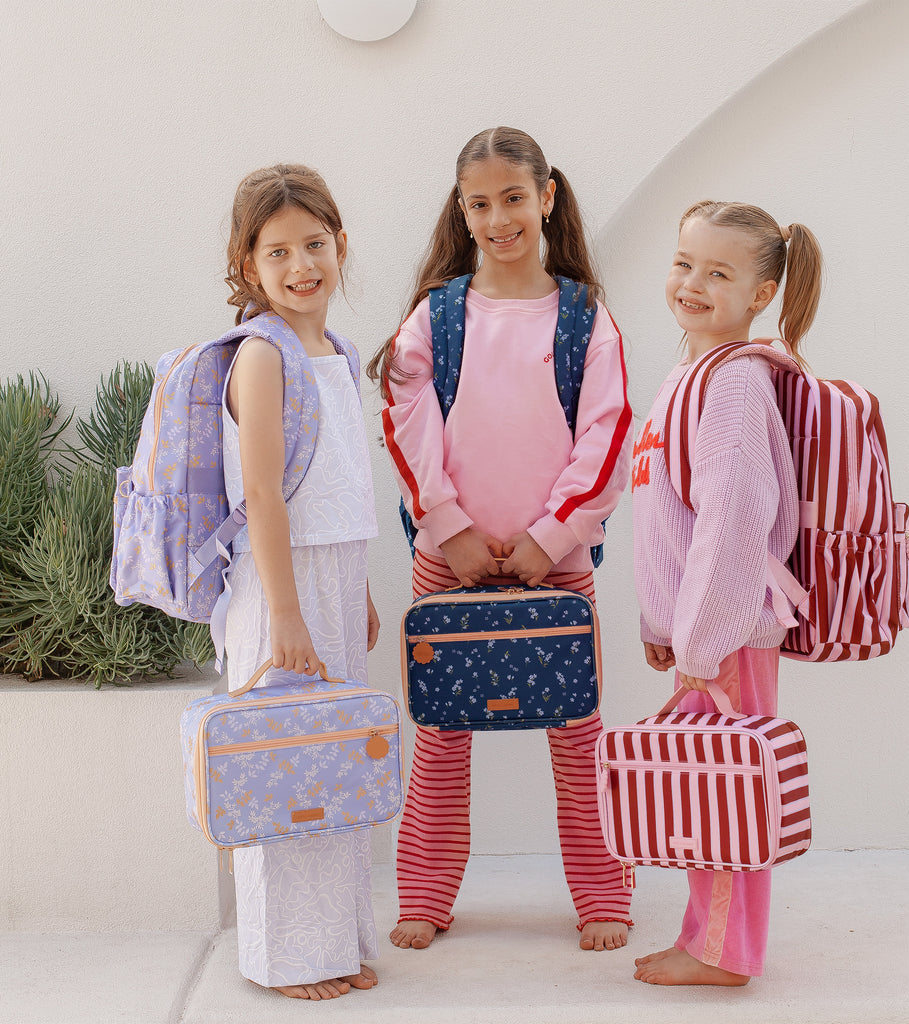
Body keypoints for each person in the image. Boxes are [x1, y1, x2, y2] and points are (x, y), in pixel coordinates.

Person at [368, 126, 634, 951]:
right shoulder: (435, 318)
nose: (498, 218)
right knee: (441, 739)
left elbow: (608, 434)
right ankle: (425, 895)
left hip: (557, 568)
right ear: (462, 209)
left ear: (546, 196)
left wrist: (552, 537)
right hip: (447, 566)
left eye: (513, 198)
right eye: (479, 203)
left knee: (578, 740)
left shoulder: (586, 318)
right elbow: (405, 426)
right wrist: (449, 531)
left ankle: (604, 898)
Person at [631, 200, 822, 986]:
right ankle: (712, 942)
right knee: (705, 784)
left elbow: (736, 516)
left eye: (719, 272)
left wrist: (701, 640)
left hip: (727, 631)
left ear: (761, 292)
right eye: (684, 262)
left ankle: (719, 951)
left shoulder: (736, 383)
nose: (693, 282)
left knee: (722, 790)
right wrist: (659, 620)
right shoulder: (694, 374)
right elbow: (669, 514)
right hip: (706, 628)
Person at [220, 164, 381, 1000]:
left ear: (340, 245)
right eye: (277, 251)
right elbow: (262, 495)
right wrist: (286, 611)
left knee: (335, 765)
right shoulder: (261, 354)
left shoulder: (340, 352)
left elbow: (339, 482)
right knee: (282, 768)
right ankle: (286, 957)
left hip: (332, 574)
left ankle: (337, 942)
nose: (300, 265)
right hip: (280, 585)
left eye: (313, 244)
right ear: (249, 265)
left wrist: (356, 592)